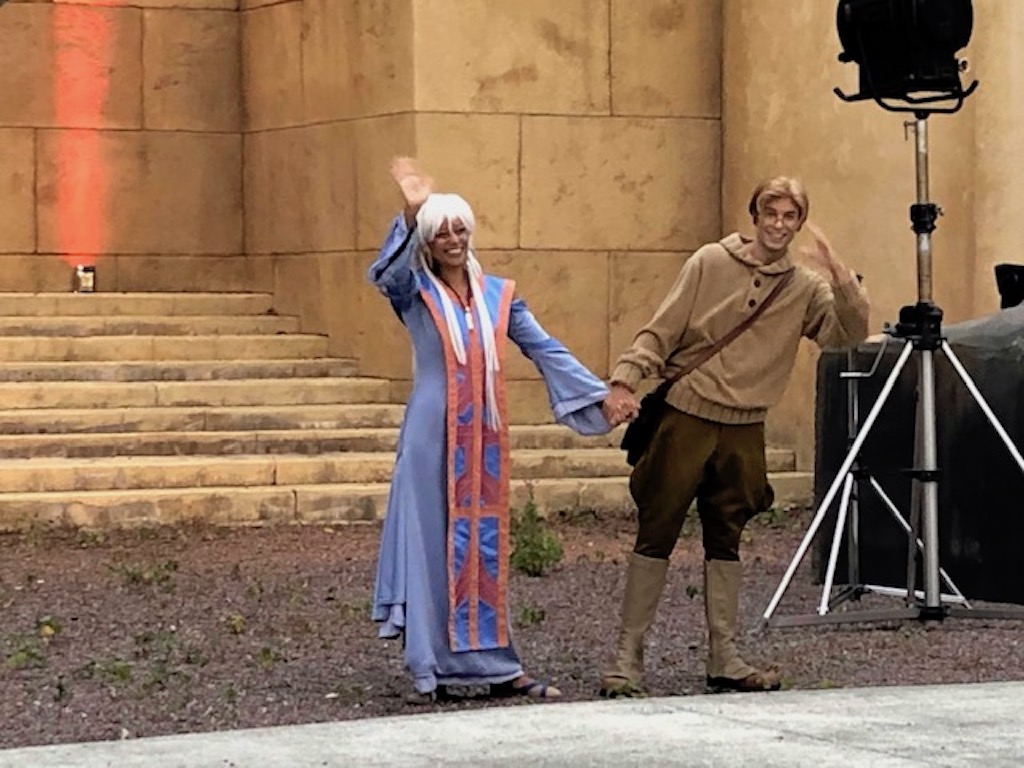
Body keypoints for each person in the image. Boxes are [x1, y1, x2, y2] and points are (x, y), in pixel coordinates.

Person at [369, 157, 629, 704]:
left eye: (459, 229)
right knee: (431, 547)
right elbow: (387, 275)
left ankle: (497, 664)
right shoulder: (414, 293)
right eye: (440, 232)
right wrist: (411, 211)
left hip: (480, 439)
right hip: (430, 437)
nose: (452, 239)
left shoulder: (498, 296)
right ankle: (431, 664)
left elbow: (543, 347)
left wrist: (599, 397)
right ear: (427, 241)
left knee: (480, 546)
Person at [599, 176, 870, 696]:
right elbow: (661, 329)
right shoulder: (710, 261)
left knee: (727, 537)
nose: (779, 225)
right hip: (687, 415)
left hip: (746, 426)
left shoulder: (806, 288)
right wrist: (624, 380)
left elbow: (846, 338)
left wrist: (842, 281)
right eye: (771, 213)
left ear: (798, 223)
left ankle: (724, 656)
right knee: (657, 529)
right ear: (755, 216)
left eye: (790, 216)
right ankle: (626, 659)